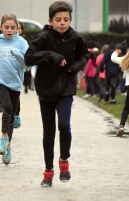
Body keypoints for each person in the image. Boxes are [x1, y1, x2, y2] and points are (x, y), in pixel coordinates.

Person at [24, 1, 89, 187]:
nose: (62, 23)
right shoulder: (43, 37)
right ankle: (48, 171)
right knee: (49, 132)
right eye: (58, 20)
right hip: (46, 89)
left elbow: (84, 56)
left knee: (64, 125)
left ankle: (64, 162)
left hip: (66, 89)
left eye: (66, 19)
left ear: (70, 20)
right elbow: (28, 57)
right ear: (50, 20)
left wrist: (73, 68)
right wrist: (50, 55)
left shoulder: (76, 38)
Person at [0, 14, 28, 165]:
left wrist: (19, 54)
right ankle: (3, 137)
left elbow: (28, 61)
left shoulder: (21, 42)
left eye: (13, 28)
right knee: (6, 106)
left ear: (17, 29)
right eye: (6, 27)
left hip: (15, 82)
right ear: (1, 27)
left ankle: (8, 146)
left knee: (12, 115)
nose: (9, 30)